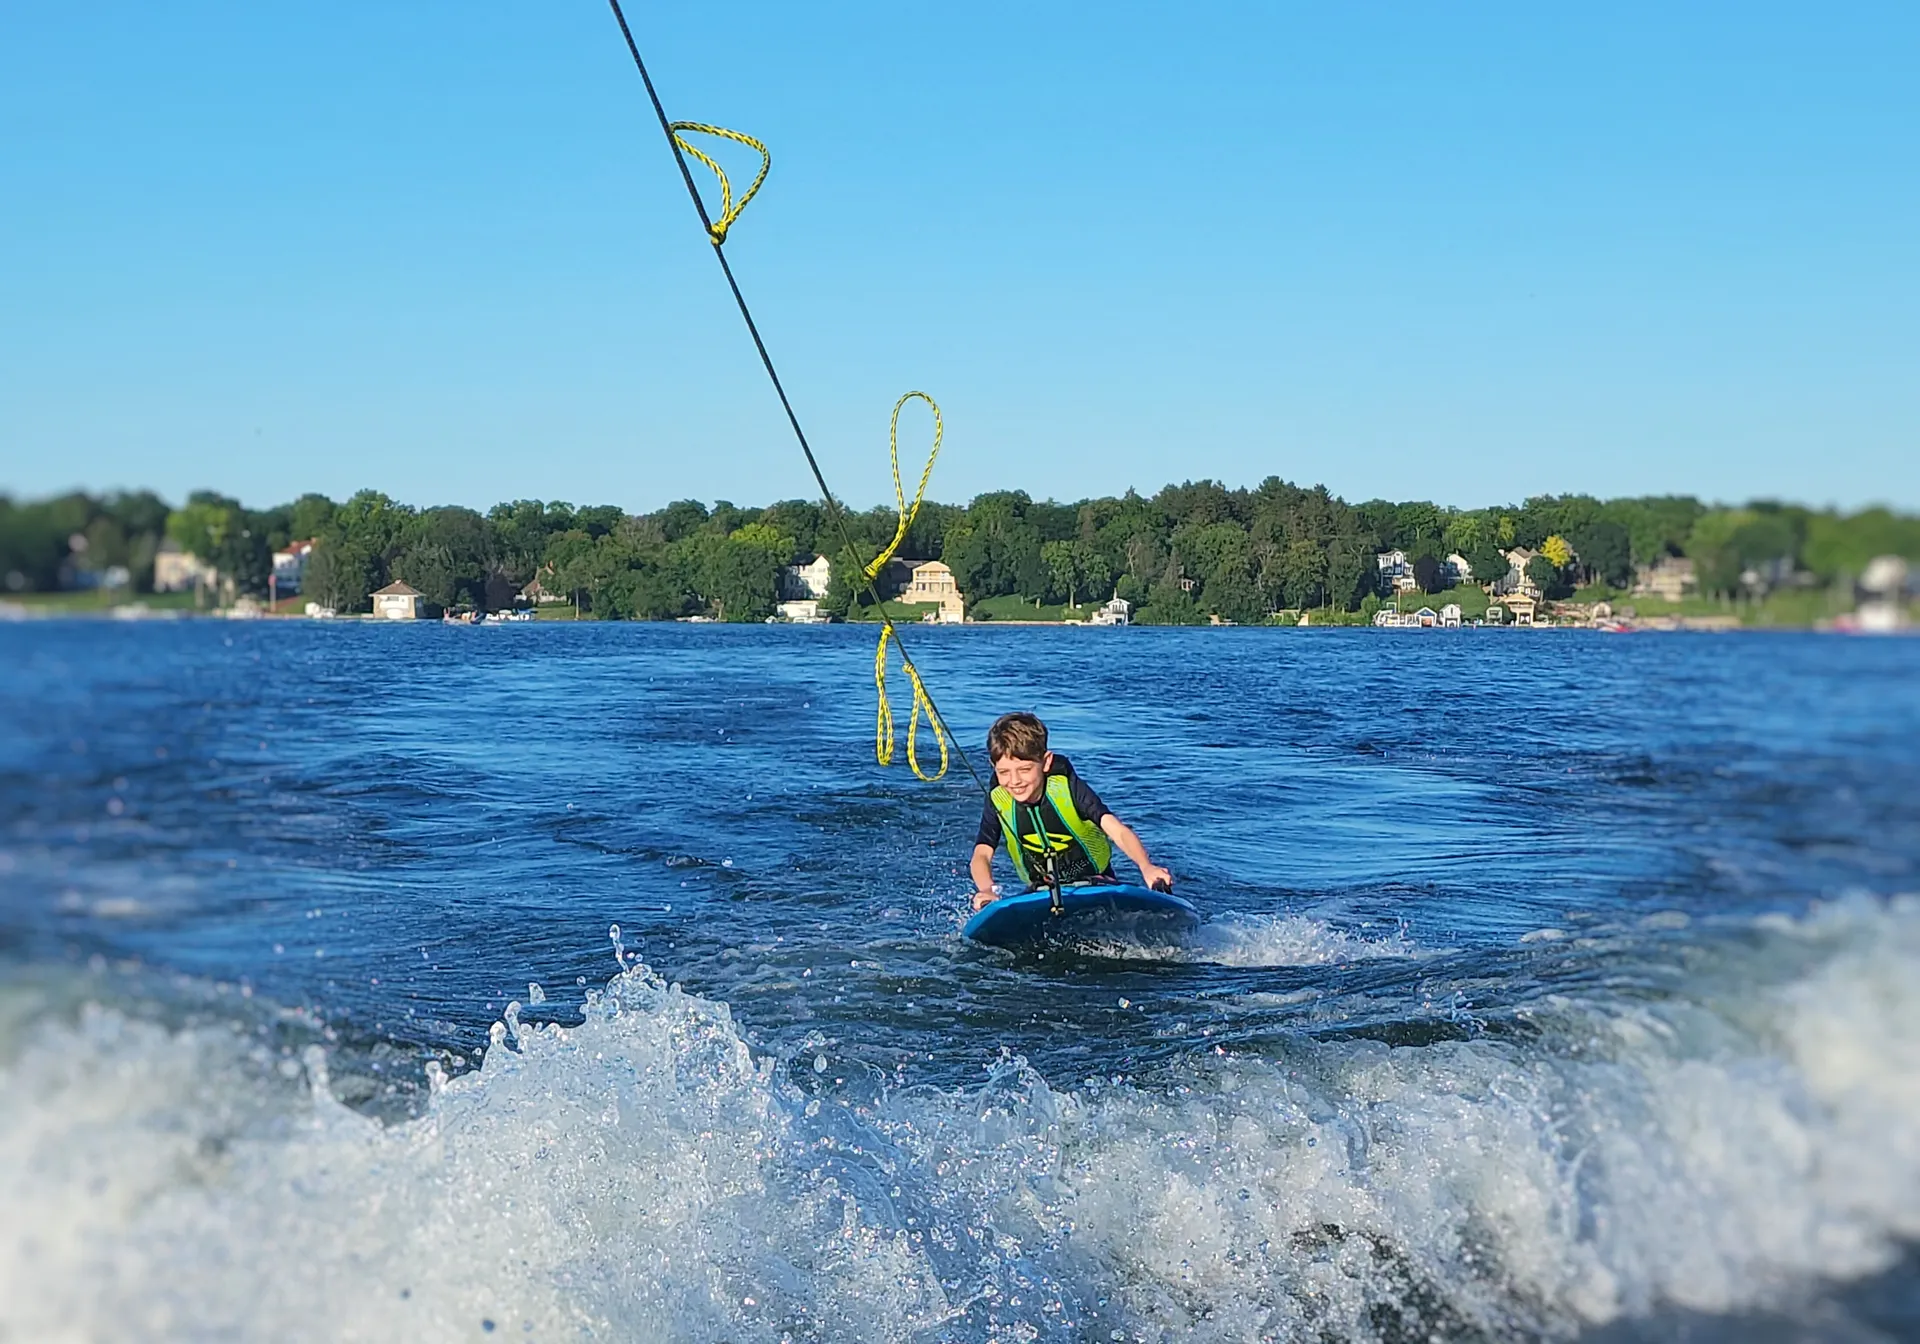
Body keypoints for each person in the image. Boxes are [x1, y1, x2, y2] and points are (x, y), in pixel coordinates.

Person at [970, 711, 1171, 911]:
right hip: (1039, 891)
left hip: (1097, 883)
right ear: (993, 766)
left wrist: (1146, 866)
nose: (1014, 781)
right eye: (1004, 772)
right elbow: (982, 853)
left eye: (1024, 770)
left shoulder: (1067, 788)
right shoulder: (999, 798)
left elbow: (1116, 829)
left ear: (1046, 762)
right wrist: (987, 890)